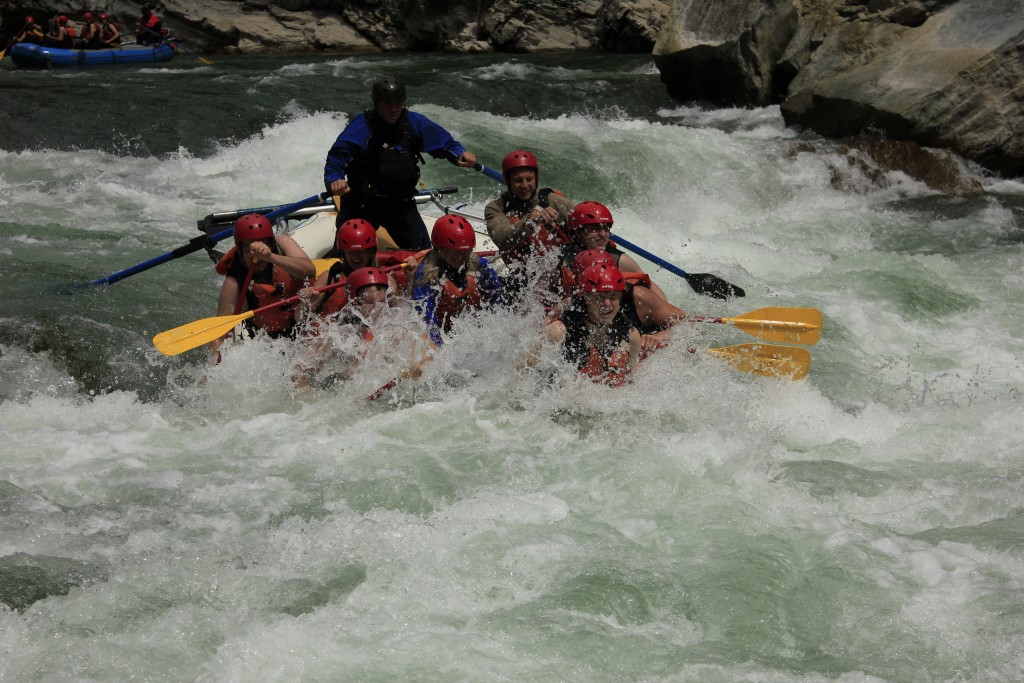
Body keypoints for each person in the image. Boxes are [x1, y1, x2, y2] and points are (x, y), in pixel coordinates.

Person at [323, 76, 478, 251]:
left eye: (398, 103)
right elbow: (336, 160)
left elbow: (447, 145)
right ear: (377, 102)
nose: (393, 109)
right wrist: (335, 179)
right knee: (349, 254)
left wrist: (460, 155)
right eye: (387, 104)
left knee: (423, 254)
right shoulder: (362, 126)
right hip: (363, 203)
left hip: (400, 204)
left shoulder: (414, 122)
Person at [293, 267, 432, 390]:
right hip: (345, 393)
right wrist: (306, 392)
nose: (379, 308)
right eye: (371, 302)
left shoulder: (399, 326)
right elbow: (298, 367)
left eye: (383, 301)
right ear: (355, 302)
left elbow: (429, 348)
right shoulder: (339, 334)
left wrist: (419, 365)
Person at [209, 213, 316, 355]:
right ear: (240, 250)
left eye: (262, 246)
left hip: (303, 326)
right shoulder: (234, 283)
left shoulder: (282, 243)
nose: (256, 255)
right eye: (249, 249)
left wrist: (271, 257)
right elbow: (220, 336)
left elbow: (309, 270)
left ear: (270, 243)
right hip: (268, 345)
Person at [524, 263, 642, 387]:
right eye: (600, 297)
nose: (607, 303)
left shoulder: (631, 334)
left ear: (621, 297)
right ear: (586, 297)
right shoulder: (559, 330)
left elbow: (633, 374)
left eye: (613, 296)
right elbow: (525, 366)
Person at [484, 150, 575, 304]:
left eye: (529, 179)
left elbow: (585, 236)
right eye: (518, 180)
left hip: (562, 274)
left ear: (536, 178)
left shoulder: (557, 202)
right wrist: (529, 221)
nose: (525, 185)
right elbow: (501, 237)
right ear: (508, 181)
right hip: (522, 278)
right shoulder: (496, 208)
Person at [566, 249, 689, 355]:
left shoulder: (638, 296)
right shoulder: (576, 300)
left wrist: (659, 336)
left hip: (649, 349)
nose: (599, 282)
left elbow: (686, 322)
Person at [410, 215, 502, 344]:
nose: (461, 257)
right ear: (440, 250)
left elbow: (496, 300)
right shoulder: (426, 274)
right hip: (442, 335)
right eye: (456, 252)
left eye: (465, 252)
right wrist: (440, 346)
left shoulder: (479, 266)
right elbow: (425, 320)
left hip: (473, 331)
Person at [295, 218, 405, 324]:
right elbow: (299, 318)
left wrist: (410, 277)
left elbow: (401, 315)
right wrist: (306, 303)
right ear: (343, 252)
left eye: (360, 251)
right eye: (350, 252)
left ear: (371, 252)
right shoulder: (330, 277)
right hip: (334, 336)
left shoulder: (385, 279)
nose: (355, 256)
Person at [556, 201, 666, 301]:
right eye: (595, 229)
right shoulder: (561, 256)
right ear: (578, 232)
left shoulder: (620, 260)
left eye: (606, 229)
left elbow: (654, 291)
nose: (603, 235)